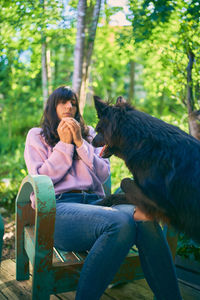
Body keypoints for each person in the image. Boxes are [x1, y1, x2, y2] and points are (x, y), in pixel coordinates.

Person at [24, 86, 182, 300]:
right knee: (119, 222)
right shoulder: (37, 136)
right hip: (59, 211)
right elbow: (42, 177)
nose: (70, 106)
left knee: (146, 216)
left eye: (73, 102)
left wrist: (80, 142)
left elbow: (102, 172)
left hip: (98, 206)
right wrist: (64, 144)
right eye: (63, 102)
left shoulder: (88, 134)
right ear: (52, 106)